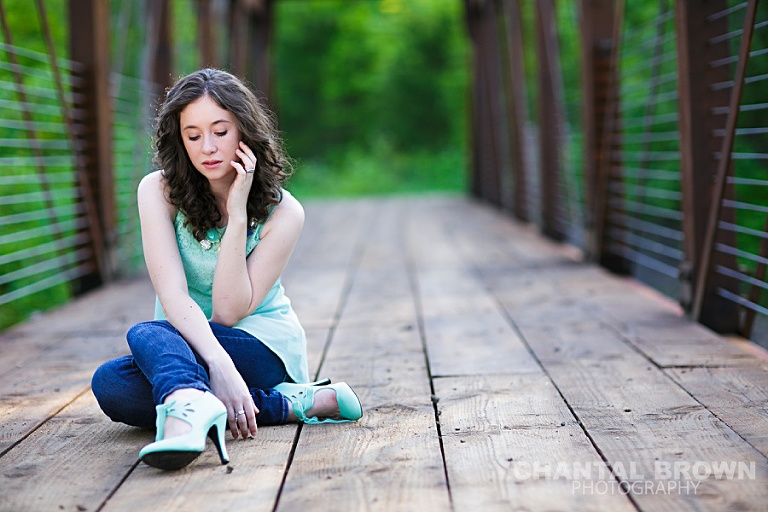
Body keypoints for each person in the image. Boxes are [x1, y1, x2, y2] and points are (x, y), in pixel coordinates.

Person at [91, 68, 362, 471]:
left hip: (257, 345)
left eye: (220, 131)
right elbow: (173, 297)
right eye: (194, 135)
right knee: (111, 385)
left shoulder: (284, 213)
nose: (208, 148)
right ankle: (283, 403)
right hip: (187, 342)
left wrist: (237, 215)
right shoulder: (157, 191)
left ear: (244, 132)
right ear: (180, 140)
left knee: (148, 333)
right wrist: (217, 366)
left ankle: (186, 409)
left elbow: (229, 312)